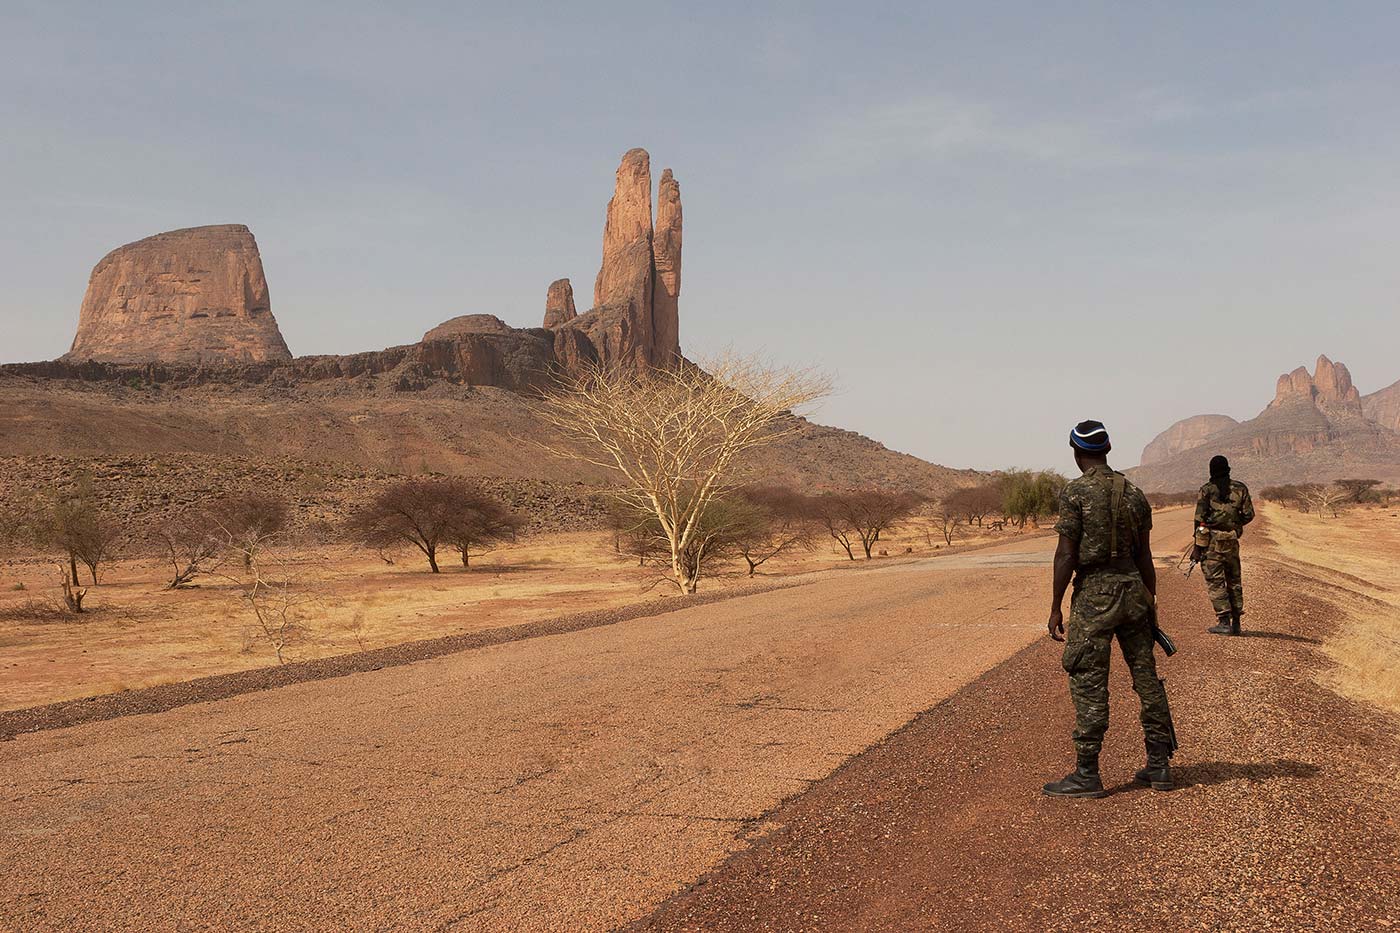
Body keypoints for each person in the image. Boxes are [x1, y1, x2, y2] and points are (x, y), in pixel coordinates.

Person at [1044, 421, 1177, 798]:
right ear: (1107, 449)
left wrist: (1055, 606)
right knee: (1146, 678)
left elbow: (1066, 554)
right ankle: (1160, 765)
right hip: (1134, 591)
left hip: (1095, 597)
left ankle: (1087, 773)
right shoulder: (1134, 493)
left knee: (1088, 679)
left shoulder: (1075, 492)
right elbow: (1145, 556)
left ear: (1075, 450)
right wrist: (1150, 603)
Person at [1194, 455, 1255, 636]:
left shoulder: (1206, 490)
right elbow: (1249, 515)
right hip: (1231, 540)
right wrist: (1234, 525)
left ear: (1211, 470)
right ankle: (1236, 623)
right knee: (1234, 579)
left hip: (1211, 542)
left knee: (1215, 581)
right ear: (1228, 468)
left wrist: (1197, 548)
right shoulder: (1240, 488)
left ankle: (1223, 622)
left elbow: (1199, 519)